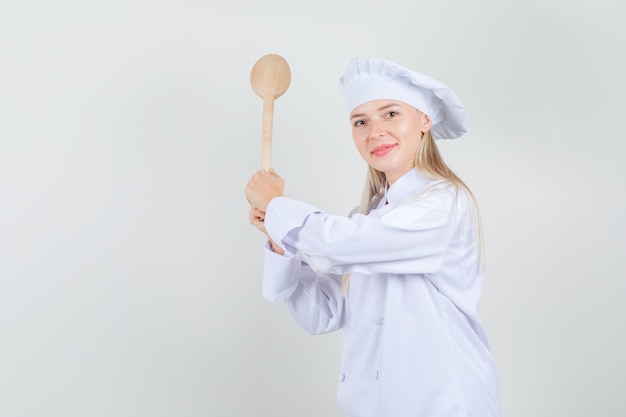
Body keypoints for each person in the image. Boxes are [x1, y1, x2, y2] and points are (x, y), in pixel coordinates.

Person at [245, 58, 501, 417]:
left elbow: (338, 243)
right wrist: (279, 238)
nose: (374, 132)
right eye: (360, 121)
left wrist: (277, 207)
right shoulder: (366, 216)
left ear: (425, 120)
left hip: (441, 403)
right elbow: (323, 314)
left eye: (391, 113)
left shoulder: (444, 203)